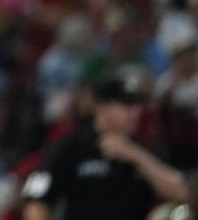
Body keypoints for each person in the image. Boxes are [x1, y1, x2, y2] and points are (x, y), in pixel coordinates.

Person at [21, 71, 189, 220]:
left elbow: (181, 192)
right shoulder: (71, 146)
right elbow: (36, 200)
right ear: (102, 107)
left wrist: (135, 155)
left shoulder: (142, 149)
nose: (136, 112)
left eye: (137, 105)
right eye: (127, 105)